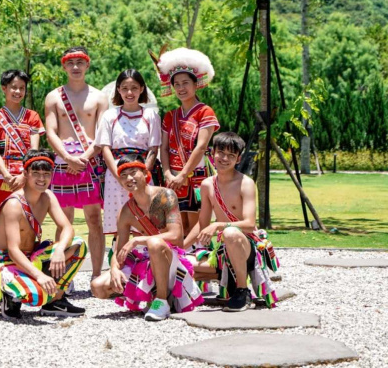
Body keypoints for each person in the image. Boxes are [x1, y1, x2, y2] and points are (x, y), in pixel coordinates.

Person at [90, 155, 203, 321]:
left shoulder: (166, 196)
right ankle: (148, 294)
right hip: (146, 260)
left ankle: (162, 301)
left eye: (133, 172)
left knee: (155, 243)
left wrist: (137, 240)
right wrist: (114, 268)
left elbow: (176, 237)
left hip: (171, 260)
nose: (129, 178)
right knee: (98, 287)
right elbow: (119, 250)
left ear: (144, 173)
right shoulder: (126, 211)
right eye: (123, 176)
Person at [185, 132, 280, 311]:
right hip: (222, 252)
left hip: (246, 247)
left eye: (231, 155)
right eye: (221, 153)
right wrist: (180, 248)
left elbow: (250, 224)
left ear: (238, 159)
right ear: (212, 153)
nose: (224, 158)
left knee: (230, 233)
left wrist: (218, 225)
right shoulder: (206, 185)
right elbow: (202, 223)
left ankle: (242, 291)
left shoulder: (246, 183)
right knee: (181, 261)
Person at [0, 149, 88, 319]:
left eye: (46, 173)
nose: (41, 179)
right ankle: (9, 297)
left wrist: (59, 250)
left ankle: (55, 300)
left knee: (79, 244)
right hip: (7, 261)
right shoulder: (14, 204)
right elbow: (13, 250)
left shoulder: (47, 196)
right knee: (38, 294)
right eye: (36, 173)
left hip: (32, 257)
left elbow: (67, 228)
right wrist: (40, 276)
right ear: (25, 173)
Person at [44, 46, 108, 282]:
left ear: (87, 65)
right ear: (64, 66)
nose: (76, 67)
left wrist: (84, 158)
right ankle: (63, 276)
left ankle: (97, 274)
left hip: (90, 161)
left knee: (94, 219)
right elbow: (50, 132)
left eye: (80, 62)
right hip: (63, 160)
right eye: (70, 63)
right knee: (64, 220)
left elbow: (102, 133)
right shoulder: (53, 97)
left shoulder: (99, 97)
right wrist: (68, 158)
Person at [155, 47, 220, 236]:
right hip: (173, 177)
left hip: (196, 175)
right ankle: (179, 261)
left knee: (197, 222)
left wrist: (183, 174)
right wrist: (167, 173)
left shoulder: (204, 112)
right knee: (176, 225)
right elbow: (164, 148)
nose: (181, 88)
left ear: (195, 84)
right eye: (177, 84)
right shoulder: (170, 116)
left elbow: (201, 146)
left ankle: (195, 261)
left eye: (185, 83)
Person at [94, 69, 162, 238]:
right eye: (124, 88)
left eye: (134, 88)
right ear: (118, 90)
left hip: (143, 174)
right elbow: (105, 148)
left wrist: (143, 175)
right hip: (116, 174)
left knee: (144, 224)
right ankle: (120, 260)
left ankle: (143, 261)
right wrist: (119, 176)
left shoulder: (151, 115)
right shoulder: (110, 116)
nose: (129, 92)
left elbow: (153, 148)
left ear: (142, 89)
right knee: (119, 227)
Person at [0, 69, 45, 219]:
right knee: (2, 220)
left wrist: (24, 176)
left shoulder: (33, 117)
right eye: (13, 87)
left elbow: (34, 152)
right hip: (3, 177)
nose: (18, 91)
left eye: (22, 88)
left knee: (28, 219)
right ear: (4, 88)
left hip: (27, 176)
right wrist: (6, 175)